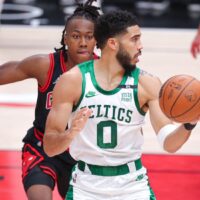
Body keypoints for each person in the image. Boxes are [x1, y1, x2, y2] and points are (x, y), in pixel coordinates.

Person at [44, 10, 197, 200]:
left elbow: (169, 143)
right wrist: (70, 133)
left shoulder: (146, 83)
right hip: (85, 186)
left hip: (132, 186)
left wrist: (189, 123)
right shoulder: (73, 81)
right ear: (113, 43)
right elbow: (50, 147)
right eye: (134, 39)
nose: (140, 46)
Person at [0, 0, 100, 199]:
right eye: (75, 36)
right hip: (42, 148)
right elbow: (6, 72)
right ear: (65, 37)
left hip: (80, 154)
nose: (82, 42)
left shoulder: (104, 72)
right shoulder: (45, 65)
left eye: (89, 37)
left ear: (97, 40)